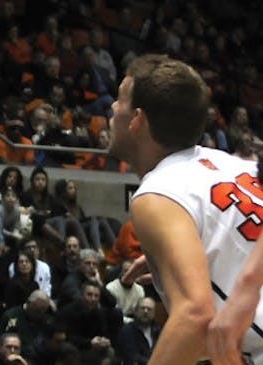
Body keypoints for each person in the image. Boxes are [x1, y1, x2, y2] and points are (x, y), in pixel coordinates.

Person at [110, 54, 263, 364]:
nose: (112, 108)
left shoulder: (156, 193)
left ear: (137, 121)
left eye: (119, 99)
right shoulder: (231, 163)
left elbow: (195, 317)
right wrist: (186, 250)